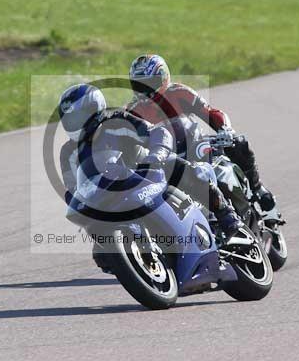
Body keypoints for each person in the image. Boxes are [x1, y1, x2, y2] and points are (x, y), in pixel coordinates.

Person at [57, 83, 243, 238]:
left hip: (145, 169)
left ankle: (225, 213)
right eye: (70, 119)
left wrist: (157, 155)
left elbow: (157, 132)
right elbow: (72, 185)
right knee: (95, 233)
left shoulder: (116, 121)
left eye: (78, 117)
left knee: (184, 169)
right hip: (109, 191)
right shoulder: (68, 153)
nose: (75, 123)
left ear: (94, 109)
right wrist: (76, 199)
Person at [125, 54, 282, 223]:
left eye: (150, 83)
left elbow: (210, 112)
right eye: (139, 85)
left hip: (195, 144)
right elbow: (125, 140)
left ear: (164, 78)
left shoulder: (179, 93)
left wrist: (224, 129)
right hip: (166, 157)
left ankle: (259, 192)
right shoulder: (133, 110)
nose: (145, 90)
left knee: (238, 144)